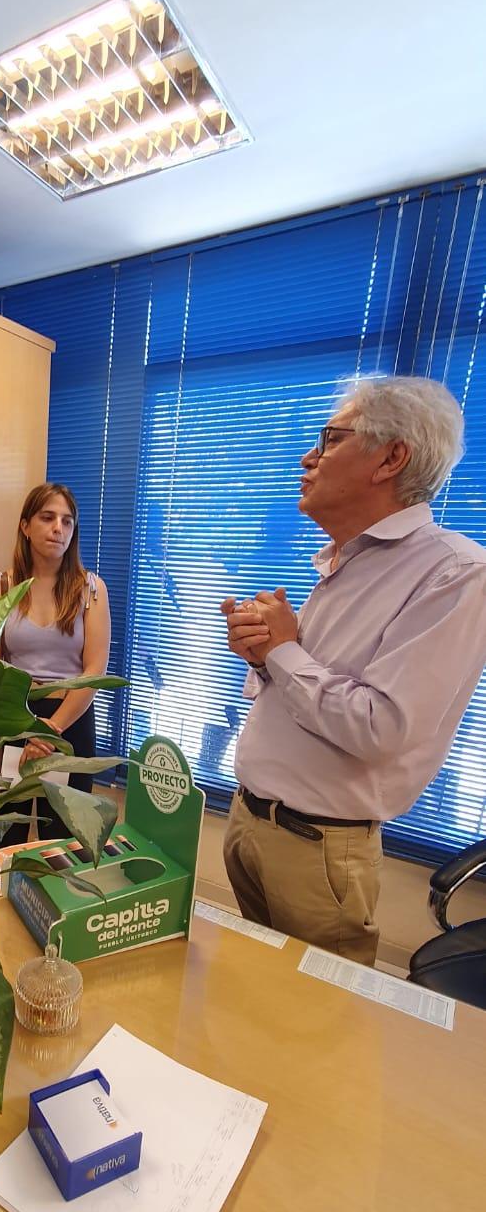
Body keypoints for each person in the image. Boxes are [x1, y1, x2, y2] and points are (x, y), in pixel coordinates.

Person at [220, 376, 486, 965]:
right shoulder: (343, 560)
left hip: (317, 847)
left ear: (391, 459)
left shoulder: (455, 573)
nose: (308, 457)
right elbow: (306, 692)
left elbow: (379, 726)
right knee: (254, 996)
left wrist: (283, 652)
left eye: (330, 438)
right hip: (252, 821)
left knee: (320, 1016)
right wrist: (265, 656)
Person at [0, 482, 111, 845]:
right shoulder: (1, 586)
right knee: (0, 838)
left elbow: (94, 671)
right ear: (25, 526)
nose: (58, 528)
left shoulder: (91, 590)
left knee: (64, 842)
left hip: (69, 721)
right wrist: (27, 730)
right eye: (48, 518)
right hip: (14, 720)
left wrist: (49, 731)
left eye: (67, 521)